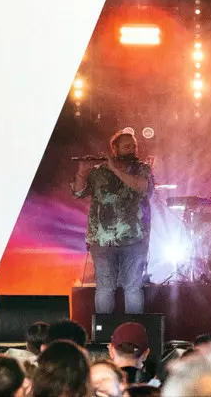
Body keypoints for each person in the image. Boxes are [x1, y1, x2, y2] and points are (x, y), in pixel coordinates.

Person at [71, 130, 155, 314]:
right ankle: (104, 330)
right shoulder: (99, 172)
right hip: (102, 240)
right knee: (104, 288)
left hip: (134, 239)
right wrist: (82, 172)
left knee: (133, 288)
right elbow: (77, 193)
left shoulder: (142, 169)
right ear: (114, 149)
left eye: (134, 146)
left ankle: (133, 329)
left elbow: (141, 187)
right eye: (127, 146)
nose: (132, 149)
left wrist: (115, 169)